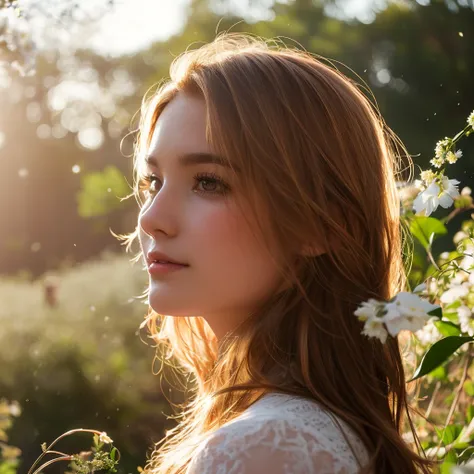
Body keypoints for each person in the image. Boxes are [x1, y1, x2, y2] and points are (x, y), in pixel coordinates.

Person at [121, 32, 436, 473]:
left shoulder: (260, 449)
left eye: (209, 182)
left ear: (322, 224)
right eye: (153, 182)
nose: (152, 218)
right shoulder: (311, 432)